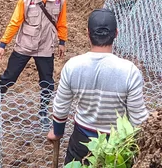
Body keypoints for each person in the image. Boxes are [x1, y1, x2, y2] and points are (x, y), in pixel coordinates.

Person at [47, 9, 148, 164]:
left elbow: (61, 106)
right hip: (117, 147)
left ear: (88, 34)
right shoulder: (129, 71)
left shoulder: (73, 66)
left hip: (81, 143)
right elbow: (137, 117)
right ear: (116, 33)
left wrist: (57, 132)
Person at [0, 0, 68, 125]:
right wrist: (3, 44)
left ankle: (43, 111)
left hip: (45, 47)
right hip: (25, 45)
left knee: (47, 82)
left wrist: (62, 41)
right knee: (10, 76)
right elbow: (15, 23)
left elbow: (62, 22)